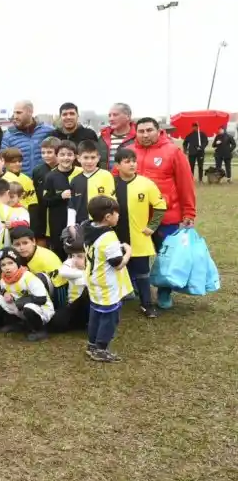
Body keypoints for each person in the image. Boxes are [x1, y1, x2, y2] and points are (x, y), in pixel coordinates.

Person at [133, 117, 196, 310]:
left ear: (158, 130)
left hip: (166, 216)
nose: (145, 135)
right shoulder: (129, 152)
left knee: (165, 256)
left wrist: (189, 212)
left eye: (149, 130)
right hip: (138, 216)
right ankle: (138, 288)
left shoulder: (173, 151)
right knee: (137, 254)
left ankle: (164, 291)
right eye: (141, 131)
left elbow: (186, 183)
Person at [114, 148, 166, 318]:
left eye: (134, 161)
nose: (132, 164)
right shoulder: (110, 183)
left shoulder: (146, 183)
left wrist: (152, 226)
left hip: (139, 238)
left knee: (143, 273)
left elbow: (160, 206)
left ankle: (147, 304)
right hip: (114, 239)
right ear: (117, 165)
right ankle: (115, 302)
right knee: (114, 271)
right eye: (127, 161)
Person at [83, 196, 132, 363]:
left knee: (95, 313)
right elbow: (117, 264)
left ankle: (92, 344)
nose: (119, 216)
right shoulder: (109, 237)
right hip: (106, 283)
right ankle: (101, 349)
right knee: (109, 317)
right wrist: (128, 252)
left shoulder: (87, 227)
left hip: (93, 278)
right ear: (108, 217)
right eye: (117, 213)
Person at [0, 248, 54, 341]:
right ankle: (17, 324)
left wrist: (23, 301)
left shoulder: (28, 277)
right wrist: (5, 293)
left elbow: (42, 299)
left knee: (29, 307)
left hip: (42, 309)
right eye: (3, 265)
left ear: (17, 263)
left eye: (10, 263)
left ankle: (40, 331)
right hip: (20, 306)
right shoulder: (4, 279)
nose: (7, 267)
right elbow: (0, 288)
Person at [10, 227, 65, 310]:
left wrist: (59, 310)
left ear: (34, 242)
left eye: (25, 243)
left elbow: (60, 285)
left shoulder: (46, 259)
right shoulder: (16, 257)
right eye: (17, 244)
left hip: (54, 292)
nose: (21, 247)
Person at [43, 140, 80, 260]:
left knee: (79, 251)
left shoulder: (80, 173)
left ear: (75, 156)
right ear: (57, 156)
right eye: (62, 155)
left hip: (78, 220)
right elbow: (45, 201)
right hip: (57, 221)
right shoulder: (50, 176)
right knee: (60, 253)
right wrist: (60, 196)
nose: (66, 158)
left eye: (69, 154)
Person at [0, 101, 54, 176]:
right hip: (20, 183)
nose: (15, 116)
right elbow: (3, 162)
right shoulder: (8, 136)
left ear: (30, 112)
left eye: (19, 113)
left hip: (45, 180)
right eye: (14, 113)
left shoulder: (48, 131)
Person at [69, 141, 116, 225]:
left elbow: (112, 203)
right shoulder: (75, 180)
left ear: (98, 158)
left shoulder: (106, 175)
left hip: (102, 225)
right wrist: (70, 225)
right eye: (86, 157)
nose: (89, 161)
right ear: (78, 158)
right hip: (81, 226)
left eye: (93, 157)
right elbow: (72, 206)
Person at [31, 136, 61, 244]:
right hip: (42, 212)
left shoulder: (64, 169)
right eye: (43, 153)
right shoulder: (38, 171)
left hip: (59, 211)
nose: (46, 155)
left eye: (49, 152)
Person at [99, 103, 136, 172]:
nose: (111, 119)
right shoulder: (102, 137)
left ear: (128, 116)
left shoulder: (139, 137)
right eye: (109, 115)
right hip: (105, 180)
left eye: (115, 115)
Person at [1, 148, 36, 218]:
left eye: (19, 161)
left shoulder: (26, 179)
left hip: (27, 216)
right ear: (5, 163)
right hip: (10, 218)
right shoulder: (3, 181)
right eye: (13, 162)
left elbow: (33, 202)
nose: (17, 164)